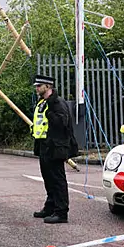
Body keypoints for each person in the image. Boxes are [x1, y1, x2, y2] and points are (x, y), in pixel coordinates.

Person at [31, 74, 74, 224]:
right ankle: (50, 207)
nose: (36, 88)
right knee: (48, 179)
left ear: (48, 86)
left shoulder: (56, 103)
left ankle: (61, 212)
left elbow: (63, 123)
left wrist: (50, 114)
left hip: (55, 147)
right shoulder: (42, 102)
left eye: (39, 86)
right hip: (44, 145)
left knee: (57, 180)